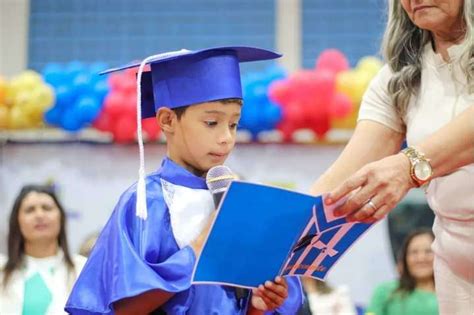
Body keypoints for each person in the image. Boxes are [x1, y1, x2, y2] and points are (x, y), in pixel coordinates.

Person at [65, 47, 303, 314]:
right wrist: (201, 245)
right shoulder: (145, 202)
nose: (226, 137)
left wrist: (259, 304)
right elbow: (117, 308)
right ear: (167, 120)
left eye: (234, 124)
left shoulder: (244, 200)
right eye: (212, 122)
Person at [311, 1, 473, 313]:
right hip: (457, 264)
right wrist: (273, 241)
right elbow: (340, 184)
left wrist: (409, 165)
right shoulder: (399, 78)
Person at [0, 184, 86, 315]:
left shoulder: (84, 270)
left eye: (47, 208)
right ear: (16, 221)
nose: (39, 215)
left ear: (61, 218)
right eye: (30, 210)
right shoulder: (2, 271)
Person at [367, 229, 438, 315]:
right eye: (414, 252)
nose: (421, 258)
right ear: (405, 258)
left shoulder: (451, 294)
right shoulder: (385, 291)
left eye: (428, 251)